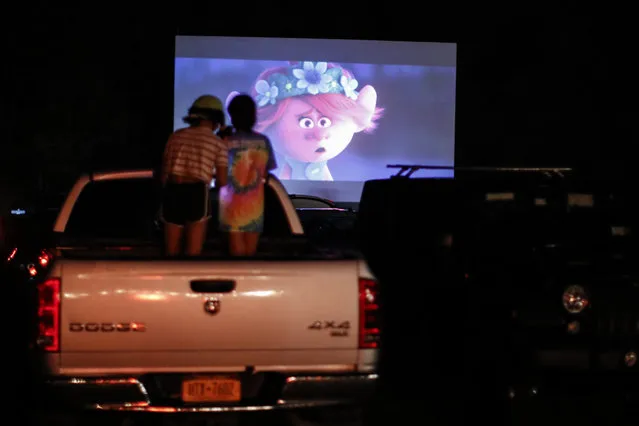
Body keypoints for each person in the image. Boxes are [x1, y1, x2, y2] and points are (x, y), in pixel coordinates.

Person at [161, 95, 228, 256]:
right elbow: (222, 181)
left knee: (170, 252)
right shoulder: (217, 143)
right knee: (193, 253)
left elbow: (164, 173)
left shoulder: (176, 136)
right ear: (217, 119)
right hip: (197, 192)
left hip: (172, 190)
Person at [219, 94, 277, 256]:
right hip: (254, 205)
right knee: (250, 254)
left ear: (232, 115)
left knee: (235, 254)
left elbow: (218, 169)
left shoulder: (226, 141)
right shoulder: (263, 141)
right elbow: (266, 172)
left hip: (230, 204)